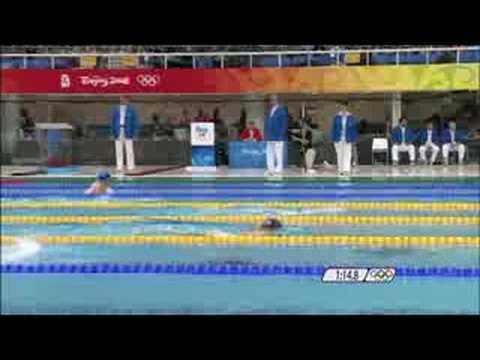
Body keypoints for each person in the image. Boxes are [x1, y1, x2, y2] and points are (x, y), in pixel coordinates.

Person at [111, 95, 139, 172]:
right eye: (121, 98)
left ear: (128, 100)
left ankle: (131, 166)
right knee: (118, 149)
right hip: (118, 130)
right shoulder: (115, 109)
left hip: (128, 130)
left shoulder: (132, 110)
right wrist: (113, 133)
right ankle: (119, 166)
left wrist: (135, 133)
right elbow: (112, 122)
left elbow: (135, 122)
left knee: (129, 149)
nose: (122, 100)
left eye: (124, 99)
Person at [330, 103, 358, 175]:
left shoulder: (351, 117)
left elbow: (354, 128)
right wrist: (332, 138)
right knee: (339, 154)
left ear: (347, 107)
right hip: (338, 137)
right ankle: (340, 169)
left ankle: (346, 169)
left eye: (344, 107)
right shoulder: (337, 117)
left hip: (347, 138)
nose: (343, 108)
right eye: (342, 107)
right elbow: (333, 128)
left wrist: (354, 138)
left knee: (347, 153)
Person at [263, 95, 288, 176]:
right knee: (269, 152)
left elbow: (284, 125)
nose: (271, 102)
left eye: (273, 100)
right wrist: (265, 134)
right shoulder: (269, 111)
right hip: (270, 136)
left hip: (278, 136)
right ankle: (270, 168)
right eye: (271, 100)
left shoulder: (282, 111)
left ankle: (279, 168)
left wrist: (281, 135)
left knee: (278, 153)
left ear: (277, 101)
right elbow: (267, 124)